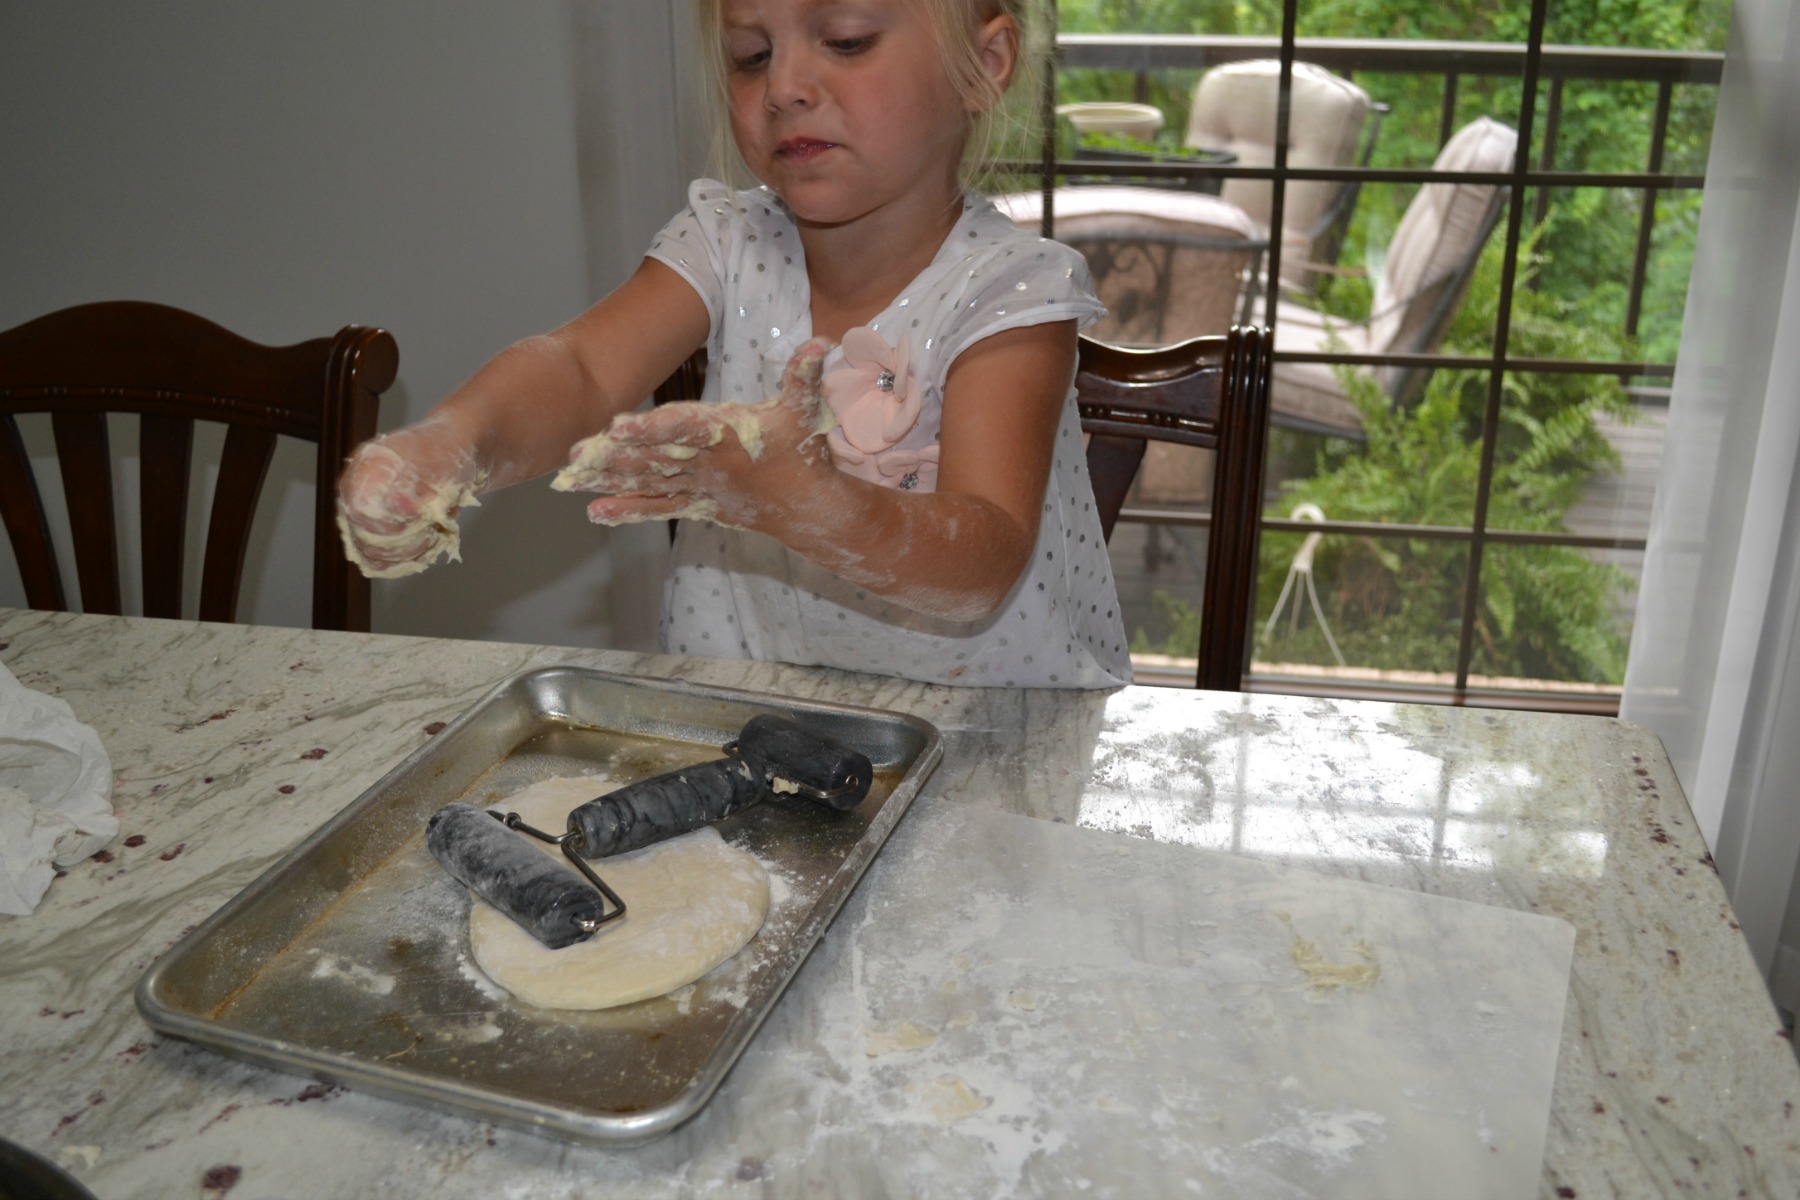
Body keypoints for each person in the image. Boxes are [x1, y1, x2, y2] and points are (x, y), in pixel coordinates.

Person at [336, 0, 1131, 688]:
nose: (784, 87)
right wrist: (451, 444)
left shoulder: (1012, 291)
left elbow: (983, 562)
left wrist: (818, 505)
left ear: (981, 67)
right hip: (755, 705)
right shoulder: (727, 242)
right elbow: (578, 369)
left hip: (990, 744)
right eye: (751, 57)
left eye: (846, 40)